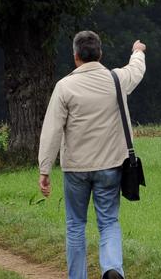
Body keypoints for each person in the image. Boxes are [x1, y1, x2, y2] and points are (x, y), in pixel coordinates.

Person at [38, 31, 146, 279]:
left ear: (75, 57)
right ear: (100, 54)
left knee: (76, 225)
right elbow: (136, 70)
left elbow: (52, 130)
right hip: (110, 166)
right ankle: (112, 269)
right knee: (108, 222)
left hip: (76, 169)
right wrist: (137, 51)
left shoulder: (64, 87)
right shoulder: (117, 79)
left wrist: (44, 169)